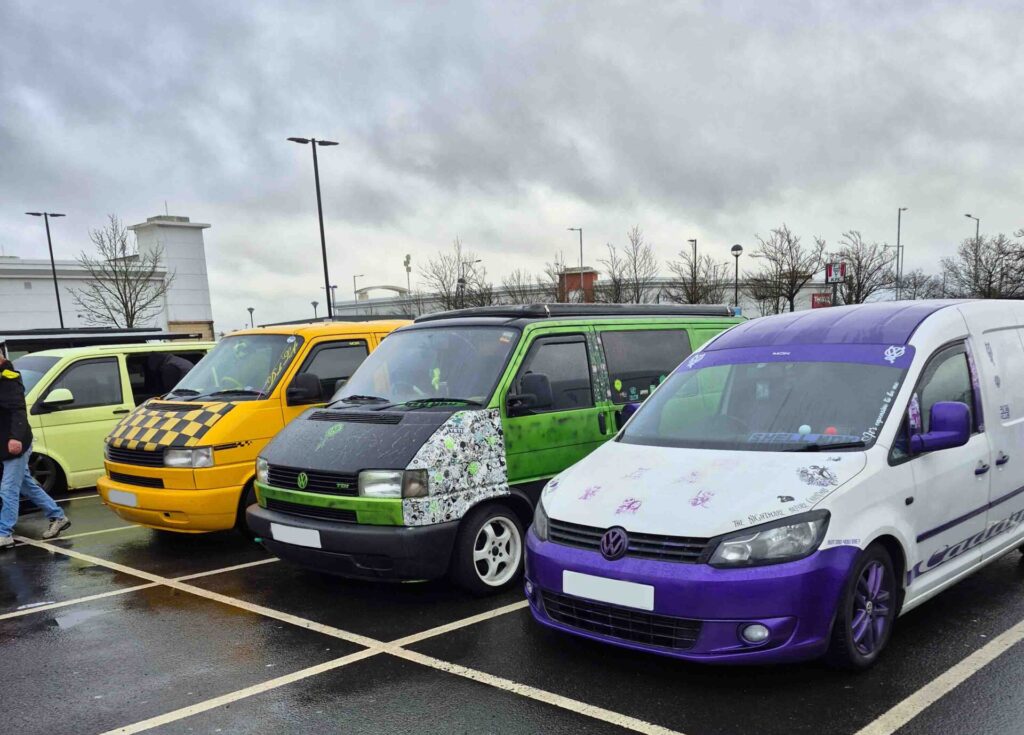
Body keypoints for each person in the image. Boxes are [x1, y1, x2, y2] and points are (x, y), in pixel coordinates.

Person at [0, 357, 70, 549]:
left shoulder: (9, 381)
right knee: (26, 486)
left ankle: (4, 533)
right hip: (4, 445)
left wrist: (15, 438)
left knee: (8, 489)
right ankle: (58, 516)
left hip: (16, 444)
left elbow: (18, 412)